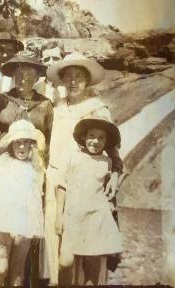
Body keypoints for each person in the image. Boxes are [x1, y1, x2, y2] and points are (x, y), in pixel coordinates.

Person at [44, 52, 123, 285]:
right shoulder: (55, 107)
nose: (73, 81)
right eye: (68, 76)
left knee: (89, 247)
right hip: (56, 180)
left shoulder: (97, 107)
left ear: (87, 81)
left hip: (87, 184)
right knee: (57, 240)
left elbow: (112, 149)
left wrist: (116, 174)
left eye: (78, 76)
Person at [55, 110, 122, 285]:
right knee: (65, 261)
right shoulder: (72, 157)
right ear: (84, 137)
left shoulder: (107, 162)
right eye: (92, 135)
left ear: (107, 142)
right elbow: (62, 187)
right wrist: (58, 216)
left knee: (92, 266)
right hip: (73, 216)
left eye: (101, 138)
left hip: (96, 218)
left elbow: (108, 192)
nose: (96, 141)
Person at [0, 120, 45, 286]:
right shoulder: (2, 164)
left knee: (18, 275)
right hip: (2, 221)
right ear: (11, 144)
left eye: (26, 143)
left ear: (32, 145)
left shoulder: (36, 167)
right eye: (17, 143)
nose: (21, 147)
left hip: (25, 223)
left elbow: (35, 198)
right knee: (1, 268)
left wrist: (34, 226)